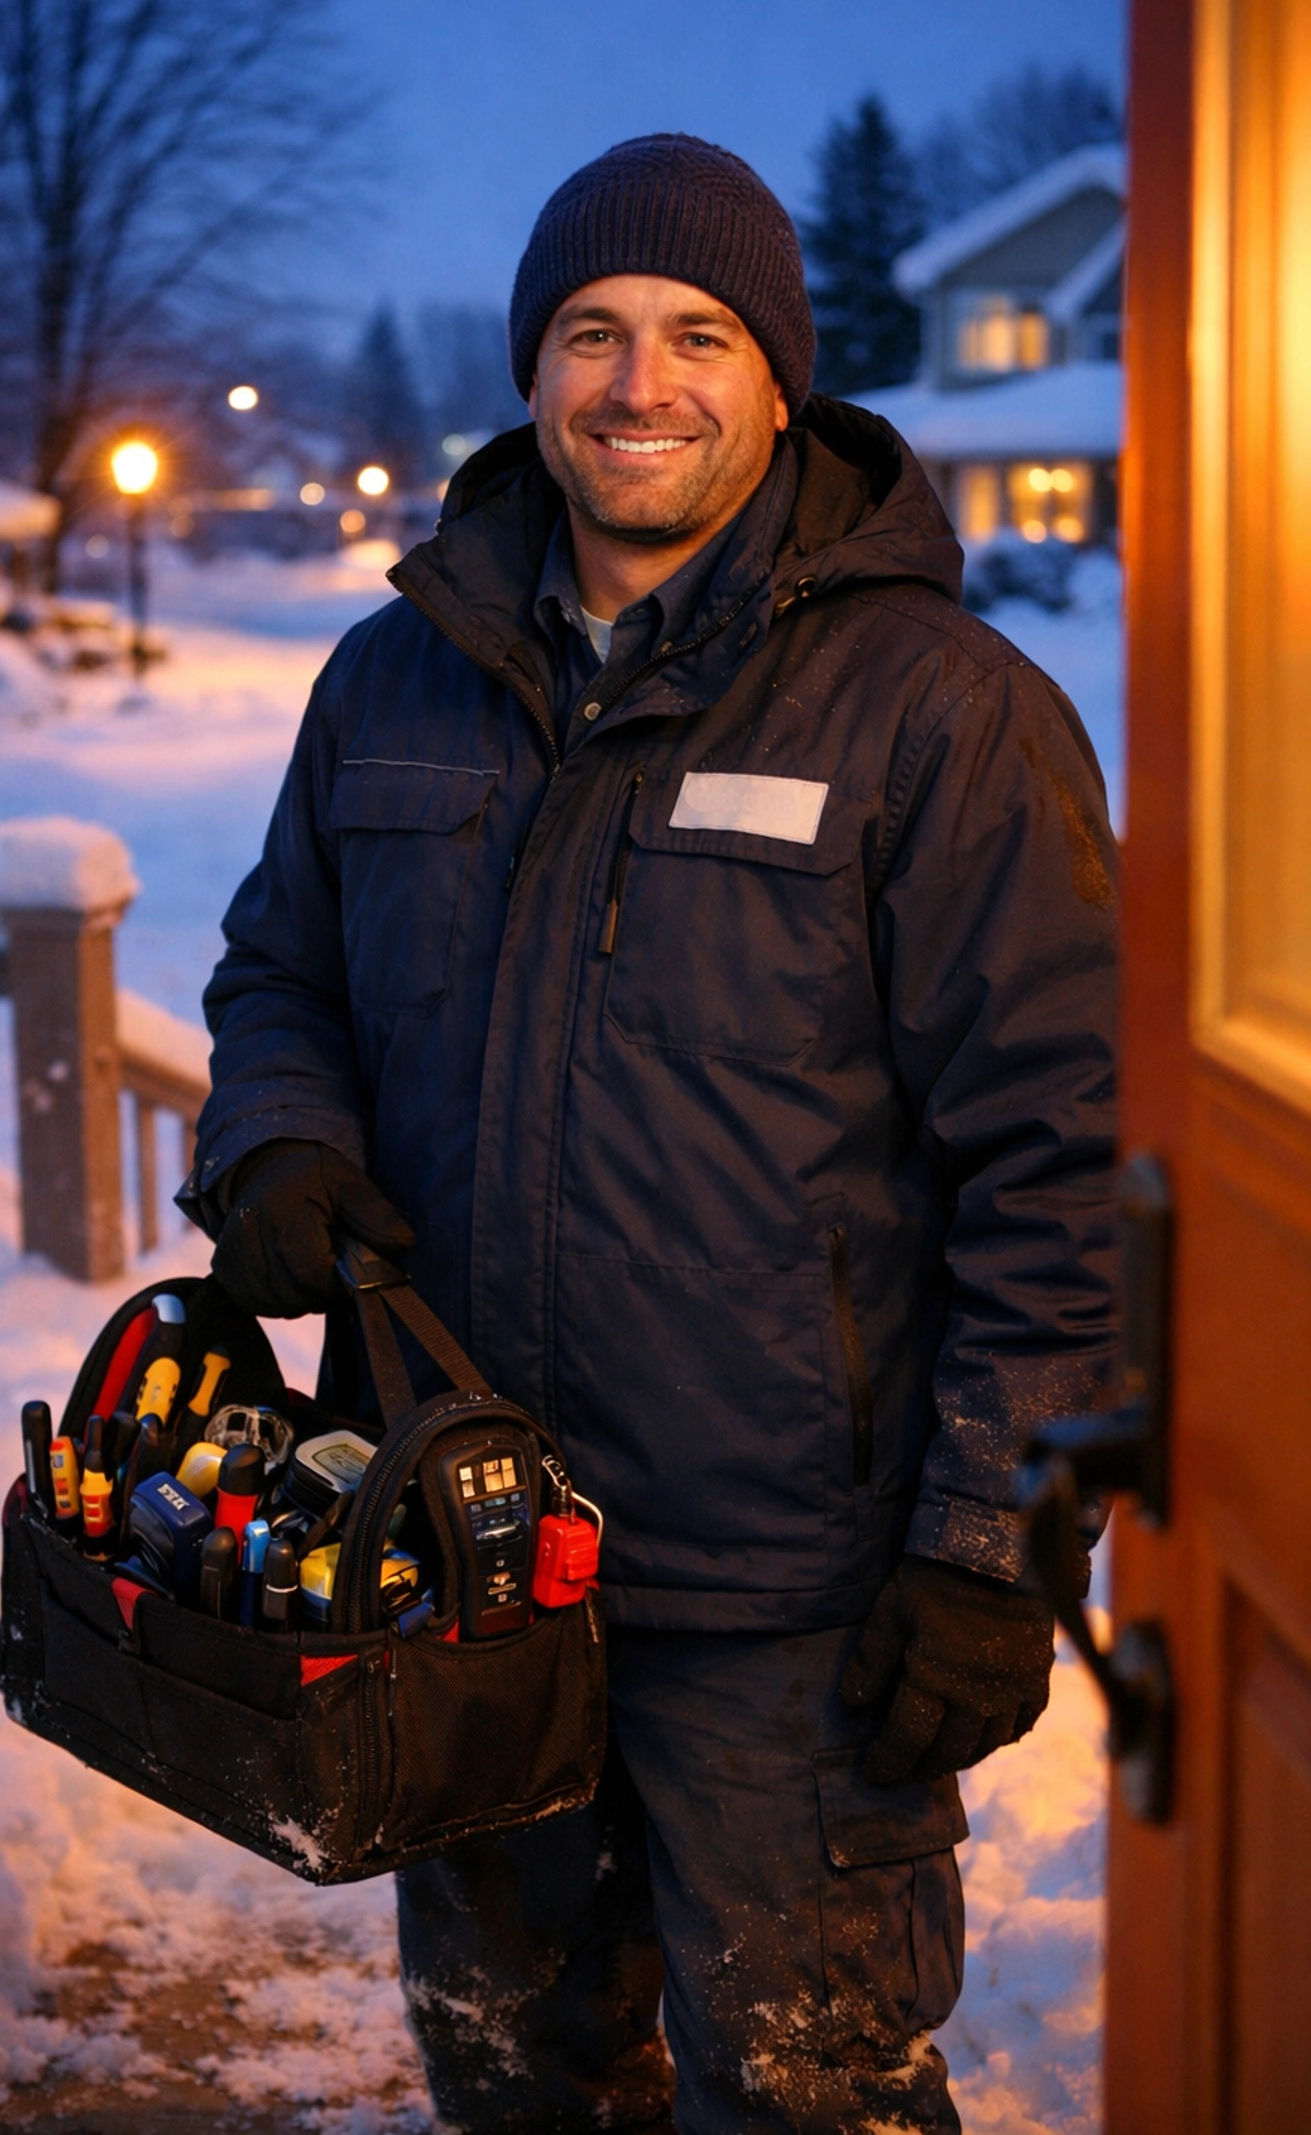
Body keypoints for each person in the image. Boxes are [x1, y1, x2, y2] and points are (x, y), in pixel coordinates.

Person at [182, 134, 1117, 2134]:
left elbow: (1067, 1165)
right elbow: (282, 972)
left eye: (699, 334)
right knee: (514, 2071)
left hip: (786, 1595)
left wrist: (996, 1550)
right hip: (455, 1551)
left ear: (781, 382)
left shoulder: (940, 712)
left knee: (805, 2094)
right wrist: (274, 1137)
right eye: (592, 331)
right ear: (532, 369)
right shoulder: (394, 679)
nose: (639, 382)